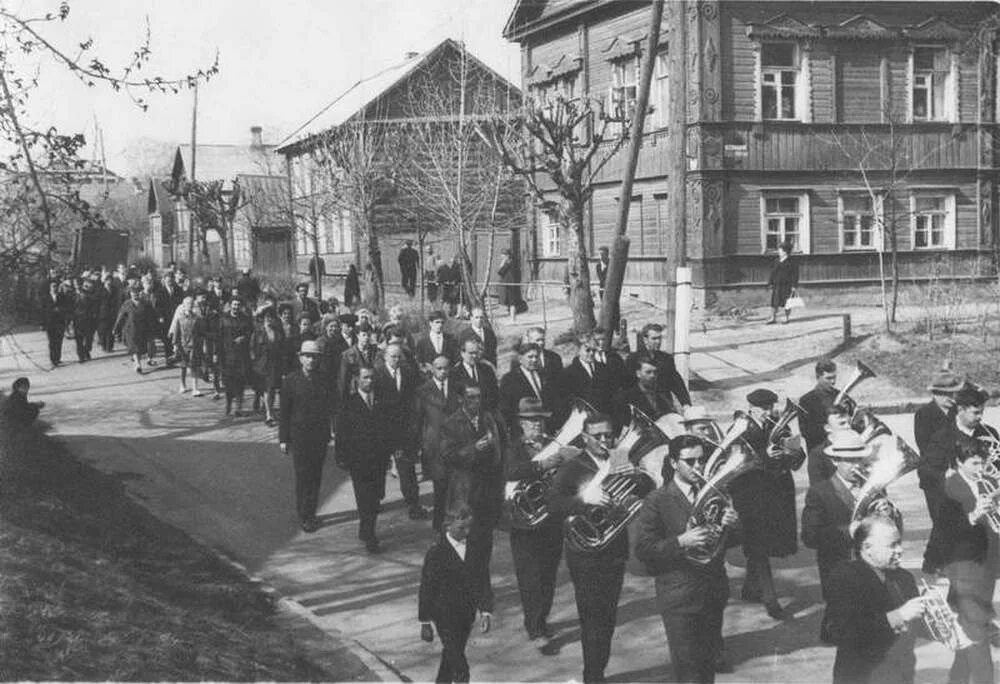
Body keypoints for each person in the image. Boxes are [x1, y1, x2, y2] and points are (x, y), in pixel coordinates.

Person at [635, 434, 741, 684]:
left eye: (700, 461)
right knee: (687, 672)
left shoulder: (717, 492)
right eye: (690, 461)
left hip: (713, 591)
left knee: (707, 669)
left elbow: (731, 541)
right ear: (673, 463)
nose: (698, 467)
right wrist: (680, 542)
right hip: (679, 597)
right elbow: (643, 549)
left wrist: (733, 526)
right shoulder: (657, 500)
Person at [547, 414, 630, 684]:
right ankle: (592, 676)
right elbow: (553, 504)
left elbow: (634, 495)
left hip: (614, 549)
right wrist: (584, 499)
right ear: (585, 438)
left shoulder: (619, 459)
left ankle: (597, 671)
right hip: (585, 555)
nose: (605, 440)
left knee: (607, 618)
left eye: (609, 435)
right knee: (593, 620)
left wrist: (638, 481)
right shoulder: (573, 467)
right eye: (598, 436)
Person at [925, 437, 1000, 684]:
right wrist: (973, 515)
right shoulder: (948, 489)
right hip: (963, 567)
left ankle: (956, 680)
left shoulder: (987, 482)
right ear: (959, 461)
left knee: (970, 628)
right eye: (975, 463)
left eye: (983, 463)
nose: (981, 469)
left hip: (987, 567)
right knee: (977, 631)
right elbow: (943, 530)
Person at [824, 517, 925, 684]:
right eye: (892, 545)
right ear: (867, 547)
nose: (900, 550)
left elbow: (915, 625)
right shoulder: (844, 577)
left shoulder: (905, 578)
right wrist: (898, 616)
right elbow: (839, 632)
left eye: (899, 543)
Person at [731, 389, 804, 620]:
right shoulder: (740, 427)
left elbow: (798, 460)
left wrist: (792, 452)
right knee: (758, 545)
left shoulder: (779, 424)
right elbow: (735, 460)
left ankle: (750, 588)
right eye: (764, 408)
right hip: (750, 493)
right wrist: (764, 455)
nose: (770, 412)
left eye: (772, 407)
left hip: (776, 493)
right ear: (751, 408)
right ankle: (771, 601)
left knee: (761, 543)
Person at [441, 383, 508, 631]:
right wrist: (473, 450)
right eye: (470, 397)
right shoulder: (451, 423)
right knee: (467, 549)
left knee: (482, 549)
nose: (475, 401)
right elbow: (447, 456)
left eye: (478, 397)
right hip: (465, 496)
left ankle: (483, 601)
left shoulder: (490, 419)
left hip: (488, 494)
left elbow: (502, 450)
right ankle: (475, 600)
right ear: (461, 400)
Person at [505, 397, 569, 642]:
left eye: (541, 421)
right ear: (521, 423)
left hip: (550, 518)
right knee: (530, 576)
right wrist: (543, 464)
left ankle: (541, 618)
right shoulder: (514, 447)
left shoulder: (553, 445)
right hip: (524, 521)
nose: (538, 426)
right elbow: (510, 472)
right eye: (532, 422)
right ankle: (535, 625)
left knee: (548, 574)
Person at [802, 428, 874, 638]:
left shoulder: (873, 487)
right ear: (835, 461)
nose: (856, 466)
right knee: (843, 621)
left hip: (869, 564)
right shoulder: (820, 492)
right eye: (849, 461)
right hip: (837, 565)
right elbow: (810, 536)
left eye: (860, 460)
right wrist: (847, 531)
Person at [418, 506, 481, 684]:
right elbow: (427, 587)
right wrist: (425, 621)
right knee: (461, 669)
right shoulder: (436, 553)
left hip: (466, 615)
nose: (467, 532)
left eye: (470, 527)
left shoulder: (473, 548)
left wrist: (485, 609)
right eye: (462, 528)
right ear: (448, 526)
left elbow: (481, 579)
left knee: (450, 658)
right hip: (444, 617)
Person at [278, 340, 335, 533]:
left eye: (315, 357)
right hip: (299, 437)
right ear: (300, 358)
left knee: (316, 476)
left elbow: (330, 408)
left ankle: (311, 512)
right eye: (308, 356)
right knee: (303, 476)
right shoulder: (291, 381)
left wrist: (330, 431)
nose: (311, 360)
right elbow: (284, 413)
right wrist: (283, 439)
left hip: (319, 436)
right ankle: (305, 515)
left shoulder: (324, 379)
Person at [337, 365, 389, 552]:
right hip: (359, 460)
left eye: (372, 377)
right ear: (357, 380)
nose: (369, 381)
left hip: (379, 459)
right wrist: (341, 457)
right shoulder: (349, 403)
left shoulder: (381, 401)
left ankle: (365, 528)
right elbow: (342, 433)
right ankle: (370, 536)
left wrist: (389, 453)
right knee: (365, 498)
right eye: (365, 377)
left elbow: (387, 430)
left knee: (376, 498)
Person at [411, 355, 462, 532]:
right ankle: (438, 525)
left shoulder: (456, 388)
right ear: (432, 369)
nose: (442, 371)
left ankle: (454, 522)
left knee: (455, 485)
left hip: (455, 444)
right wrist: (417, 446)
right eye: (439, 368)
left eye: (446, 368)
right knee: (440, 486)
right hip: (434, 446)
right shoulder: (423, 391)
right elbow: (417, 420)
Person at [376, 343, 427, 520]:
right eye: (392, 357)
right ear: (385, 357)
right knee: (379, 467)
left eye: (399, 357)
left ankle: (413, 504)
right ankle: (376, 500)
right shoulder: (377, 375)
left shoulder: (408, 373)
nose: (396, 360)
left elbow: (414, 399)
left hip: (404, 431)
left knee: (407, 469)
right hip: (383, 430)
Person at [625, 324, 690, 410]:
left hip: (664, 405)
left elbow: (676, 383)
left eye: (660, 338)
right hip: (642, 405)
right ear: (645, 340)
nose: (658, 342)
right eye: (654, 339)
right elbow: (627, 384)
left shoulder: (666, 359)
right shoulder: (633, 359)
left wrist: (685, 403)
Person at [499, 342, 558, 436]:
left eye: (536, 356)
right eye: (530, 357)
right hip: (523, 432)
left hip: (547, 429)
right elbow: (507, 409)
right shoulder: (509, 379)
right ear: (520, 359)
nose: (534, 360)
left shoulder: (545, 375)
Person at [798, 359, 850, 456]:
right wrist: (831, 427)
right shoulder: (806, 401)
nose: (833, 382)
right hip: (819, 454)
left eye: (834, 377)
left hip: (842, 451)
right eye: (828, 378)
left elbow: (853, 418)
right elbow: (806, 431)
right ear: (818, 377)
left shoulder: (842, 396)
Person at [560, 332, 613, 416]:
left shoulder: (603, 368)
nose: (591, 353)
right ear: (578, 350)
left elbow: (610, 392)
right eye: (587, 350)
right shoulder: (568, 372)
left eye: (594, 350)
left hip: (604, 415)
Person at [250, 305, 286, 426]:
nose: (269, 320)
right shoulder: (258, 331)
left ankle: (268, 409)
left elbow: (282, 348)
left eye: (271, 318)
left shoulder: (278, 331)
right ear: (263, 318)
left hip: (276, 364)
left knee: (273, 389)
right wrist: (255, 362)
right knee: (268, 389)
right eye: (267, 317)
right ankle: (269, 415)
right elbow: (252, 348)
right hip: (262, 365)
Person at [218, 299, 253, 417]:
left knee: (240, 382)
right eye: (234, 304)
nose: (236, 307)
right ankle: (228, 405)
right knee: (228, 383)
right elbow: (219, 337)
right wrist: (217, 354)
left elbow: (250, 333)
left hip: (242, 355)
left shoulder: (245, 319)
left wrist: (243, 338)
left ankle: (238, 407)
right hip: (227, 355)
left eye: (238, 304)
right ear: (230, 305)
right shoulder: (223, 319)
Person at [806, 403, 853, 485]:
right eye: (842, 423)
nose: (848, 427)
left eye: (849, 422)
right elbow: (819, 490)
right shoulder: (817, 455)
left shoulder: (859, 447)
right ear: (828, 428)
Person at [168, 295, 205, 397]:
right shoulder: (179, 318)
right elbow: (176, 333)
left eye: (191, 304)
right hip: (183, 346)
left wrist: (202, 345)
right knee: (183, 367)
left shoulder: (197, 319)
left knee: (194, 366)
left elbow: (202, 333)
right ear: (183, 306)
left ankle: (195, 388)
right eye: (187, 304)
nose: (189, 305)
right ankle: (182, 384)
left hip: (194, 345)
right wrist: (175, 345)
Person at [450, 338, 499, 413]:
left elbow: (495, 395)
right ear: (462, 353)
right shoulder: (454, 374)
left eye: (476, 353)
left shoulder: (487, 370)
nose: (474, 356)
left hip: (487, 416)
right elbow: (453, 401)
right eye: (471, 353)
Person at [113, 284, 151, 374]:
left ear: (140, 293)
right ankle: (138, 364)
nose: (135, 295)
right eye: (133, 293)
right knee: (135, 347)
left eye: (137, 293)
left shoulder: (145, 303)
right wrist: (116, 328)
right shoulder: (127, 303)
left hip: (142, 329)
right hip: (130, 329)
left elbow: (151, 316)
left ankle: (137, 362)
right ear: (130, 294)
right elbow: (120, 316)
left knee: (140, 348)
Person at [40, 279, 71, 368]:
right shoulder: (45, 298)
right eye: (53, 286)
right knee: (51, 341)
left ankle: (57, 358)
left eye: (56, 286)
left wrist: (61, 310)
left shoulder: (62, 296)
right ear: (50, 288)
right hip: (50, 322)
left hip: (59, 322)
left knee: (59, 341)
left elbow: (66, 307)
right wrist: (42, 324)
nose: (55, 288)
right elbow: (42, 311)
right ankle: (53, 359)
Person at [766, 240, 798, 325]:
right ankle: (773, 317)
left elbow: (795, 274)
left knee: (786, 302)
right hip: (777, 284)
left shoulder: (792, 262)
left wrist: (794, 286)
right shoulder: (777, 261)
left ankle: (786, 318)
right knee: (774, 301)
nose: (778, 252)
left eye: (780, 250)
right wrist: (770, 282)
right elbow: (773, 272)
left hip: (786, 285)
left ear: (785, 251)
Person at [72, 277, 100, 363]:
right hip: (77, 319)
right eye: (75, 284)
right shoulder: (73, 294)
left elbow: (95, 305)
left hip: (89, 319)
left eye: (79, 284)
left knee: (89, 339)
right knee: (79, 339)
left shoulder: (91, 294)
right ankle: (81, 356)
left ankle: (86, 350)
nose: (77, 286)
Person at [497, 248, 520, 323]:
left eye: (503, 255)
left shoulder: (508, 263)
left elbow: (500, 272)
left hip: (510, 284)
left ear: (507, 256)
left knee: (512, 302)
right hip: (511, 284)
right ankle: (512, 319)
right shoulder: (512, 262)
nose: (502, 257)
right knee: (511, 302)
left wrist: (502, 263)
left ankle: (513, 320)